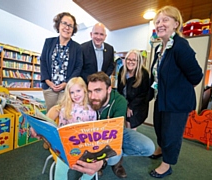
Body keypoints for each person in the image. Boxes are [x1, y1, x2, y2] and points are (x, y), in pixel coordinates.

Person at [148, 6, 203, 178]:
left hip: (177, 102)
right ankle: (160, 148)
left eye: (165, 20)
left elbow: (196, 75)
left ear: (176, 24)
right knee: (159, 127)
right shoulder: (159, 49)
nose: (160, 24)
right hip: (162, 98)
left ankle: (167, 164)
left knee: (172, 133)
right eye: (158, 21)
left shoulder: (180, 46)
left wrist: (179, 89)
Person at [72, 71, 155, 178]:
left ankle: (115, 160)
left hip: (114, 132)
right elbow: (63, 105)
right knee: (113, 154)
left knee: (148, 147)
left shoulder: (120, 101)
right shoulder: (86, 98)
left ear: (109, 89)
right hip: (91, 134)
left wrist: (103, 161)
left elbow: (115, 135)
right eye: (90, 91)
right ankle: (107, 158)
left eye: (98, 91)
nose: (93, 96)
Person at [31, 77, 97, 180]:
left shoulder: (92, 110)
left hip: (85, 146)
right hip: (66, 146)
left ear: (84, 90)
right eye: (72, 92)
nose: (75, 95)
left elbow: (94, 131)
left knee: (93, 167)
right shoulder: (64, 108)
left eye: (78, 91)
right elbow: (54, 124)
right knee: (61, 167)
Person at [40, 12, 83, 112]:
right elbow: (43, 61)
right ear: (58, 25)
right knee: (50, 115)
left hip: (66, 90)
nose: (67, 28)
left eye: (70, 26)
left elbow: (78, 67)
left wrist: (66, 83)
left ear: (73, 30)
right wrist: (48, 81)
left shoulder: (77, 47)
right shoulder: (48, 42)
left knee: (63, 115)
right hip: (49, 88)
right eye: (64, 23)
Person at [117, 49, 150, 130]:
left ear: (139, 61)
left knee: (130, 127)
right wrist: (124, 104)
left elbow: (144, 94)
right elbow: (119, 90)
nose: (130, 62)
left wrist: (131, 107)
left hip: (137, 106)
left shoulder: (144, 74)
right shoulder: (122, 70)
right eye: (128, 59)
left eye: (134, 60)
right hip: (125, 102)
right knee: (123, 126)